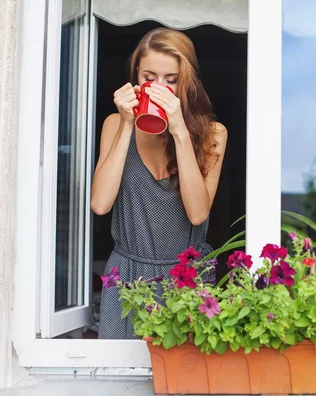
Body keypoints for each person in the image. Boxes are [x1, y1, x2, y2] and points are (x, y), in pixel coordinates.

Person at [91, 28, 227, 339]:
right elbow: (100, 204)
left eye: (171, 79)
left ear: (187, 80)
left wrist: (180, 131)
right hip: (126, 278)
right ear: (136, 76)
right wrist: (127, 122)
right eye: (149, 77)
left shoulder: (213, 134)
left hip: (185, 280)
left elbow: (197, 214)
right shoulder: (114, 124)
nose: (159, 88)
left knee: (181, 382)